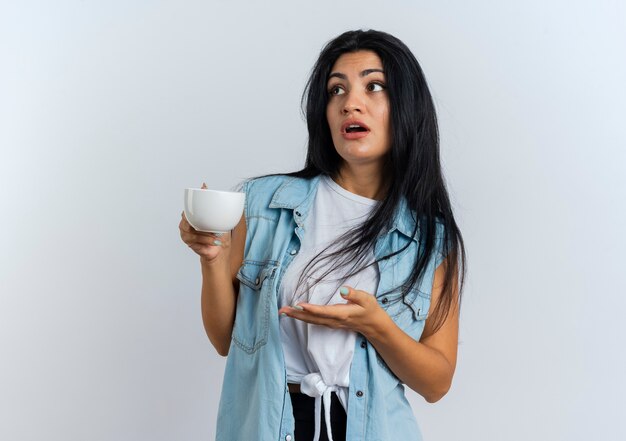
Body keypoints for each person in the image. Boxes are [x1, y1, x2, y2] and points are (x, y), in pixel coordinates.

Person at [179, 29, 466, 441]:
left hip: (372, 427)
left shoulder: (431, 240)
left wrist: (375, 326)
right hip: (271, 422)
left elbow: (436, 383)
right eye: (336, 90)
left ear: (407, 107)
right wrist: (212, 259)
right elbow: (225, 339)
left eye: (375, 86)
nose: (351, 103)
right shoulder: (262, 203)